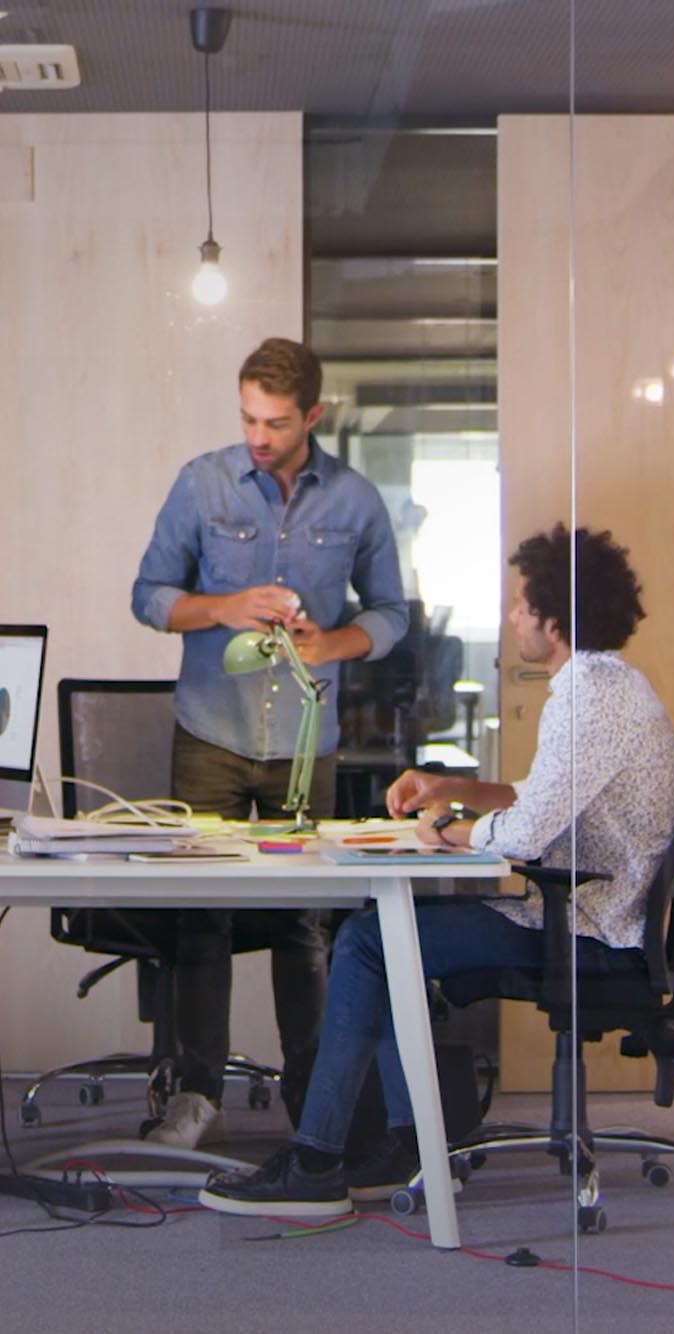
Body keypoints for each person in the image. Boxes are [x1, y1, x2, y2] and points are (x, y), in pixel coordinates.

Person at [196, 522, 674, 1216]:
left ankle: (317, 1161)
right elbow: (540, 798)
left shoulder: (591, 696)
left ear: (552, 619)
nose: (512, 616)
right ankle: (408, 1146)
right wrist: (450, 790)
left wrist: (452, 831)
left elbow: (524, 832)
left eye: (522, 604)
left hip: (587, 926)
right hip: (591, 911)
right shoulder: (608, 685)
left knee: (369, 942)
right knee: (385, 938)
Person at [131, 336, 408, 1148]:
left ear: (313, 415)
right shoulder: (202, 481)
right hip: (209, 733)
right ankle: (195, 1099)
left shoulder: (356, 500)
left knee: (301, 925)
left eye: (276, 422)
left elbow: (390, 613)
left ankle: (313, 1105)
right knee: (200, 919)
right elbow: (149, 596)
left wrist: (336, 644)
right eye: (248, 417)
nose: (258, 434)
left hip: (303, 741)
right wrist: (220, 607)